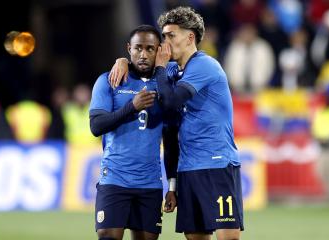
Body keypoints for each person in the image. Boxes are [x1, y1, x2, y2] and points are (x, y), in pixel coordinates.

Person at [110, 6, 243, 240]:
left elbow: (171, 102)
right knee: (195, 237)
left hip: (216, 163)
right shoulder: (173, 70)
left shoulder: (205, 65)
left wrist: (160, 67)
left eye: (171, 35)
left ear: (190, 37)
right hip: (188, 168)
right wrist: (123, 61)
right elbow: (142, 63)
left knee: (228, 237)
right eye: (164, 36)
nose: (164, 43)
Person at [89, 25, 178, 240]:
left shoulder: (167, 81)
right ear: (129, 48)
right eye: (138, 48)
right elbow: (96, 126)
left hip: (149, 184)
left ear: (159, 51)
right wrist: (132, 107)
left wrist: (172, 186)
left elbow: (171, 141)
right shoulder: (110, 80)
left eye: (150, 49)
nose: (143, 54)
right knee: (108, 237)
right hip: (114, 180)